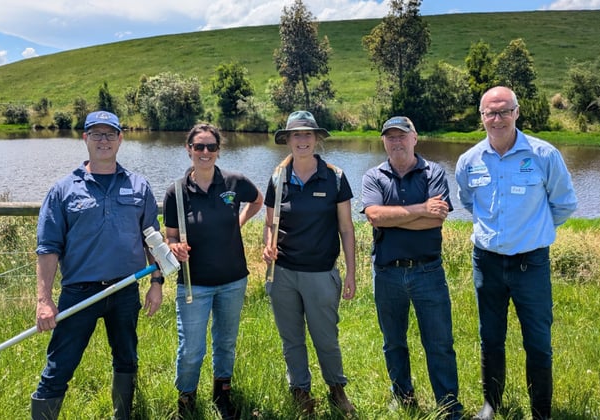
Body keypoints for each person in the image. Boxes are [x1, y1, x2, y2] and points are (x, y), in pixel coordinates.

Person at [31, 110, 165, 420]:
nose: (103, 140)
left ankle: (123, 415)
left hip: (124, 290)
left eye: (110, 134)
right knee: (59, 365)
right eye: (96, 134)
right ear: (85, 138)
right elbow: (48, 248)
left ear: (120, 139)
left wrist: (156, 283)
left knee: (127, 360)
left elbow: (152, 240)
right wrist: (44, 300)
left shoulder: (139, 186)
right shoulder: (63, 190)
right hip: (79, 294)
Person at [455, 86, 578, 420]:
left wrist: (533, 231)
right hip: (487, 262)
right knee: (490, 337)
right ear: (481, 117)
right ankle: (491, 404)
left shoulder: (543, 155)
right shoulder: (469, 161)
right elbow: (469, 202)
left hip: (531, 263)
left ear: (517, 112)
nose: (497, 119)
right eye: (490, 113)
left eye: (504, 111)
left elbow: (564, 203)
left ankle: (541, 411)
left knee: (537, 341)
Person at [361, 116, 464, 419]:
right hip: (387, 273)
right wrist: (419, 210)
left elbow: (437, 218)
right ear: (383, 142)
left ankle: (448, 405)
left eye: (401, 136)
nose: (396, 142)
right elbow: (375, 216)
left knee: (440, 342)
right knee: (393, 342)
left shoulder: (433, 172)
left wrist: (395, 217)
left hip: (428, 272)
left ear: (415, 138)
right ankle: (402, 397)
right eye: (390, 137)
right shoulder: (373, 176)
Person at [162, 123, 264, 419]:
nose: (205, 152)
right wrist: (174, 247)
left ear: (218, 151)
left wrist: (239, 222)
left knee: (226, 342)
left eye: (211, 147)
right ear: (189, 150)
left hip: (233, 280)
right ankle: (187, 400)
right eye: (199, 147)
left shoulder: (235, 182)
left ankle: (222, 395)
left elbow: (258, 200)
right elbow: (169, 236)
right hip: (194, 284)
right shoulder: (176, 193)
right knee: (191, 348)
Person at [262, 110, 357, 417]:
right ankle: (300, 390)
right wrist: (267, 246)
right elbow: (269, 224)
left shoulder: (335, 177)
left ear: (316, 139)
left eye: (307, 134)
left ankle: (336, 389)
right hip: (284, 274)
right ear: (287, 140)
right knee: (292, 338)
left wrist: (352, 273)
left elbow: (346, 228)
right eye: (296, 135)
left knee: (326, 338)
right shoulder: (277, 178)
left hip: (321, 273)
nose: (302, 140)